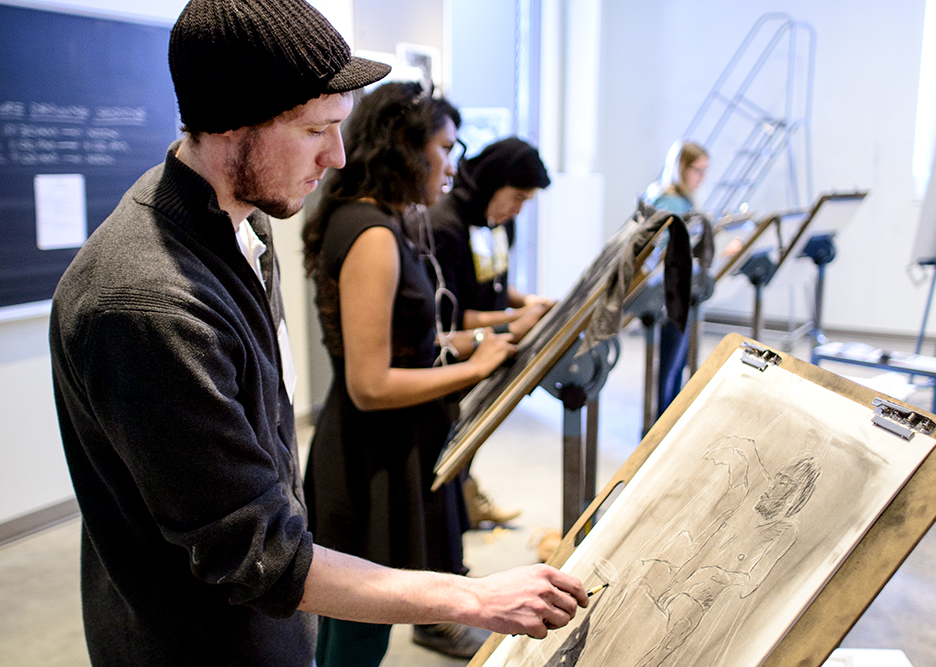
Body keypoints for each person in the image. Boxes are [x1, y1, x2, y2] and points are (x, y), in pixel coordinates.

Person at [48, 2, 587, 666]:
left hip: (263, 627)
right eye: (314, 130)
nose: (336, 155)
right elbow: (258, 552)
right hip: (199, 644)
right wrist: (471, 599)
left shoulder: (241, 220)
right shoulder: (147, 303)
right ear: (231, 124)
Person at [301, 82, 530, 664]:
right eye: (445, 149)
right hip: (372, 456)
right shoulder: (372, 234)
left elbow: (411, 345)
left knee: (357, 628)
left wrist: (480, 339)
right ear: (405, 147)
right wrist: (472, 366)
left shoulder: (382, 223)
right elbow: (371, 384)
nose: (452, 167)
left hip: (391, 447)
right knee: (358, 633)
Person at [424, 136, 555, 527]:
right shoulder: (445, 225)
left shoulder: (498, 222)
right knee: (450, 438)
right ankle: (458, 503)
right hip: (455, 354)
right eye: (516, 197)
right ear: (493, 181)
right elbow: (450, 316)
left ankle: (466, 495)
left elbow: (494, 287)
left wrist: (527, 301)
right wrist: (511, 322)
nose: (517, 210)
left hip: (490, 343)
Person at [643, 140, 711, 413]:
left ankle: (668, 417)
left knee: (676, 364)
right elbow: (662, 248)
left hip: (678, 289)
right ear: (681, 167)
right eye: (698, 170)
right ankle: (662, 422)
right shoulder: (670, 199)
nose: (702, 178)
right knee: (670, 365)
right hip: (667, 291)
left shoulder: (679, 198)